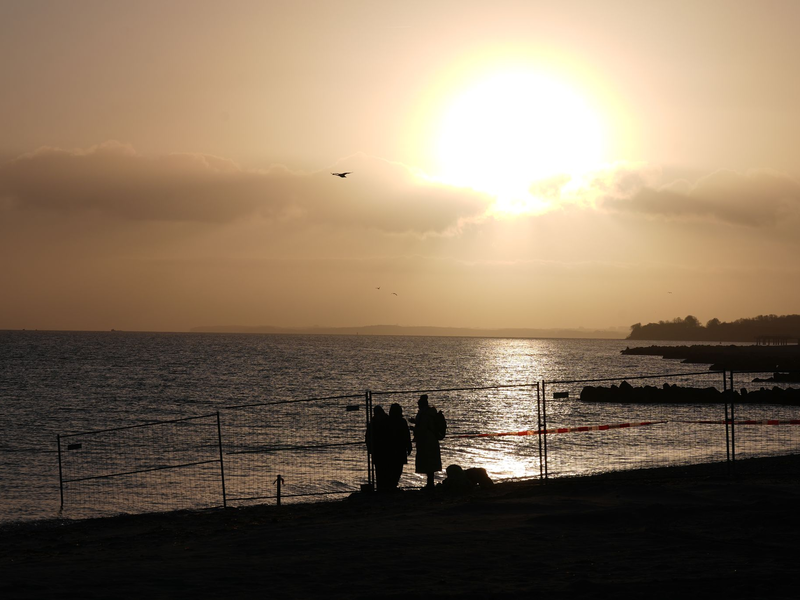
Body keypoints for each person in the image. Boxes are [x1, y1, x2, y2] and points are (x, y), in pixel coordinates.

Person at [413, 394, 442, 490]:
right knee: (430, 463)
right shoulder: (429, 412)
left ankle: (430, 484)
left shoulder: (424, 414)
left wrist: (413, 428)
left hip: (426, 440)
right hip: (431, 439)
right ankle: (430, 483)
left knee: (427, 462)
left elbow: (423, 428)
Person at [386, 403, 412, 490]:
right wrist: (409, 446)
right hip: (400, 448)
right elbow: (407, 435)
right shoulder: (402, 421)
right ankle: (393, 484)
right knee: (398, 468)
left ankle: (391, 485)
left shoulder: (388, 421)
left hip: (390, 448)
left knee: (391, 468)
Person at [365, 405, 390, 492]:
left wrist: (370, 449)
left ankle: (381, 487)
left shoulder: (373, 423)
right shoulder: (387, 421)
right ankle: (386, 487)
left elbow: (367, 437)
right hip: (386, 449)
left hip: (378, 449)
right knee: (386, 469)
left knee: (379, 470)